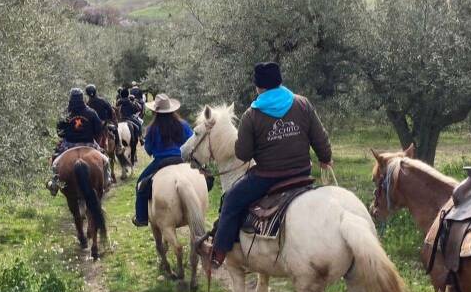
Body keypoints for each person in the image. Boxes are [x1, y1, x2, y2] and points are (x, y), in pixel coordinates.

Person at [197, 62, 332, 270]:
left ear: (258, 87)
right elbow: (319, 137)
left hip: (268, 177)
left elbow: (243, 154)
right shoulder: (303, 104)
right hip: (302, 173)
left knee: (231, 199)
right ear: (280, 81)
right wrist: (325, 157)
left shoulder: (252, 115)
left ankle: (219, 252)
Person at [131, 93, 194, 227]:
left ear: (155, 112)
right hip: (181, 160)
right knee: (203, 177)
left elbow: (148, 149)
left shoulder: (152, 128)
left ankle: (141, 218)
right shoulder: (183, 125)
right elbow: (191, 141)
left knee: (140, 185)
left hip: (160, 162)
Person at [46, 88, 105, 195]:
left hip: (69, 144)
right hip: (89, 143)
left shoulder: (65, 113)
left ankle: (54, 183)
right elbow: (99, 129)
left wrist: (68, 135)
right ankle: (107, 179)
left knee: (55, 161)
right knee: (105, 159)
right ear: (82, 98)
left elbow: (59, 132)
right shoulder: (91, 112)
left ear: (70, 99)